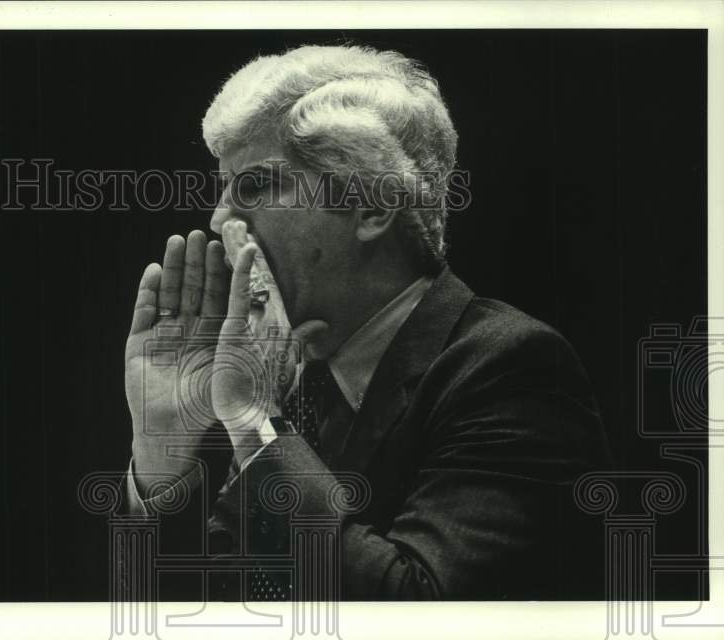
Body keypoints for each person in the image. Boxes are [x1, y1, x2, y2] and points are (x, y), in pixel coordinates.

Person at [120, 45, 612, 600]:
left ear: (373, 205)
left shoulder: (511, 368)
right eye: (224, 189)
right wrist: (162, 454)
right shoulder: (277, 378)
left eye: (254, 185)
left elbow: (419, 608)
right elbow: (186, 611)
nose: (219, 217)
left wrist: (257, 421)